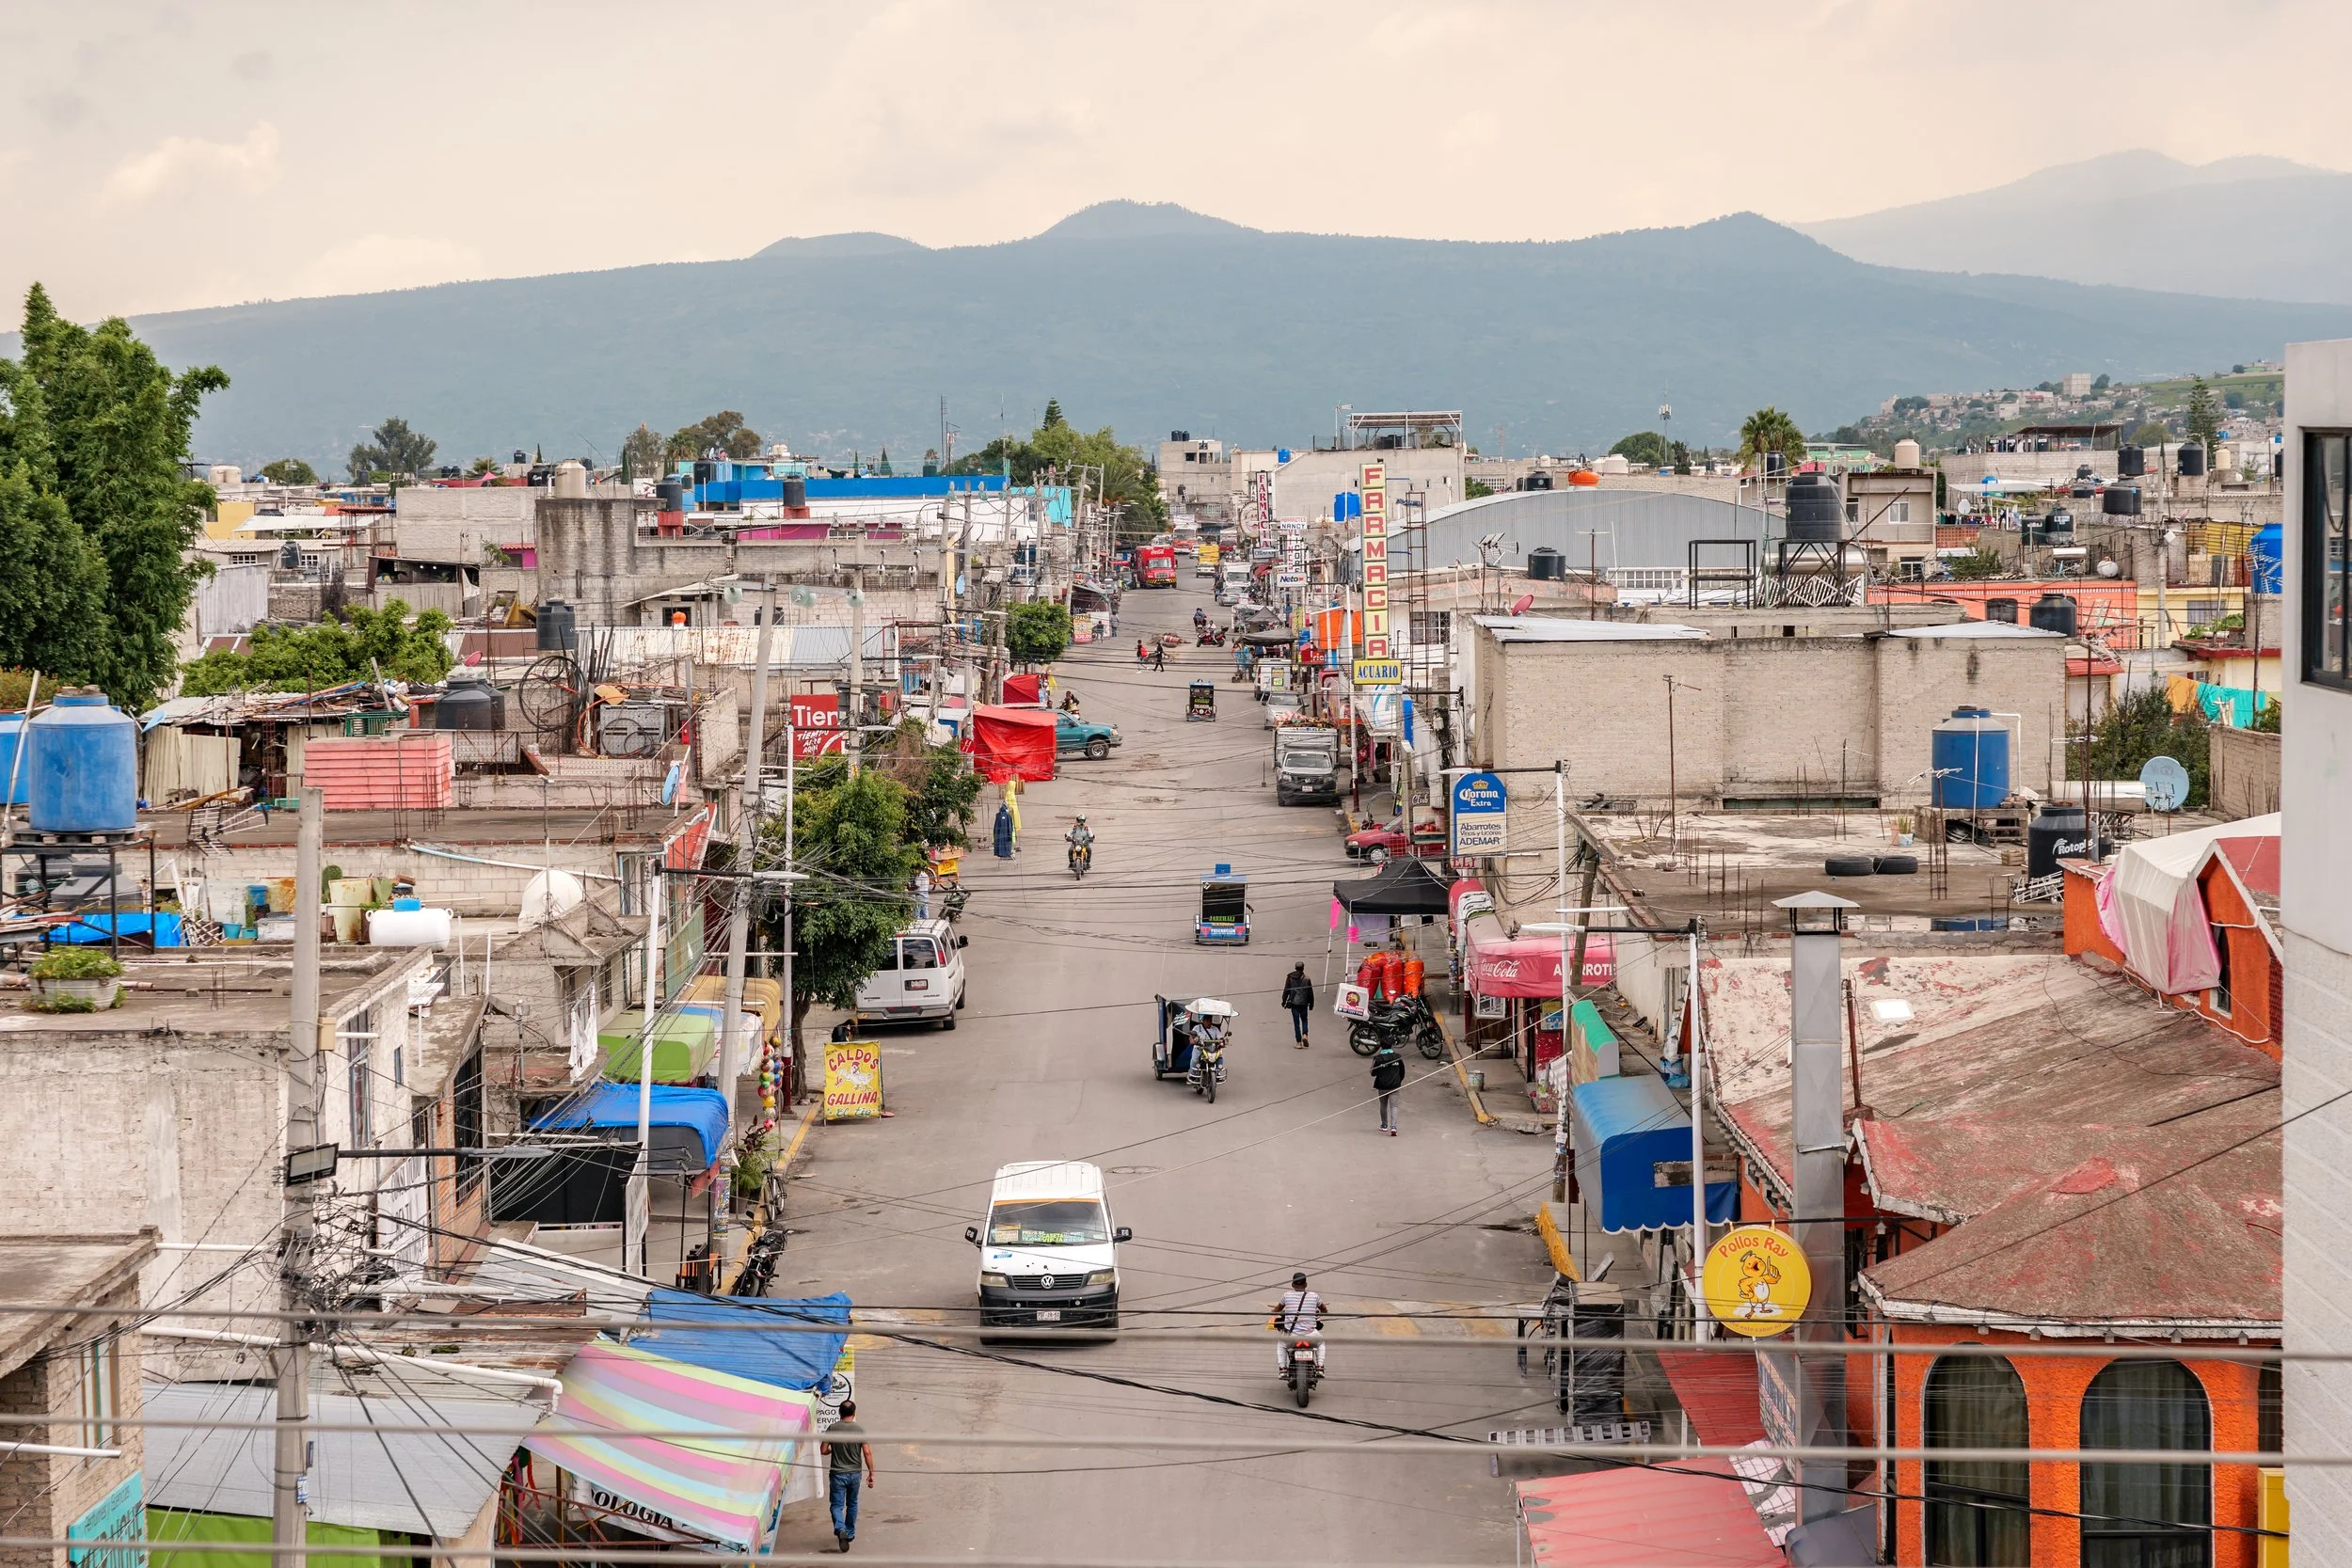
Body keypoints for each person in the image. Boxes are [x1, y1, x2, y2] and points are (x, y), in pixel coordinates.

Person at [822, 1399, 876, 1552]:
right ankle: (850, 1533)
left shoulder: (832, 1428)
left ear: (839, 1413)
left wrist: (833, 1450)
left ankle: (840, 1529)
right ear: (854, 1413)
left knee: (837, 1505)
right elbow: (867, 1452)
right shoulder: (859, 1430)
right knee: (852, 1503)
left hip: (837, 1473)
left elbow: (823, 1450)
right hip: (854, 1474)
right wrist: (871, 1473)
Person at [1271, 1271, 1326, 1376]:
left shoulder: (1286, 1296)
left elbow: (1277, 1309)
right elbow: (1323, 1309)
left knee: (1281, 1344)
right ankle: (1320, 1367)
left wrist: (1272, 1313)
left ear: (1292, 1285)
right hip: (1311, 1336)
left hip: (1292, 1336)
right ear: (1306, 1284)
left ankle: (1283, 1369)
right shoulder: (1314, 1296)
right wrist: (1322, 1313)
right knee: (1321, 1343)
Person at [1370, 1038, 1405, 1134]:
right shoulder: (1397, 1057)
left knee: (1383, 1105)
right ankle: (1393, 1127)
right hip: (1394, 1086)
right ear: (1391, 1046)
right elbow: (1402, 1072)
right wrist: (1398, 1081)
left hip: (1382, 1086)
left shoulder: (1378, 1058)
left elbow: (1372, 1073)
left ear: (1381, 1046)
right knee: (1394, 1106)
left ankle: (1384, 1125)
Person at [1281, 962, 1314, 1048]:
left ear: (1295, 968)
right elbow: (1310, 993)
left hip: (1294, 1003)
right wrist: (1311, 1004)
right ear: (1303, 968)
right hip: (1304, 1003)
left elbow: (1286, 990)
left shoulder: (1290, 978)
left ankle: (1299, 1043)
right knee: (1304, 1020)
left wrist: (1284, 1001)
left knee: (1296, 1023)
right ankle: (1305, 1035)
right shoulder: (1307, 979)